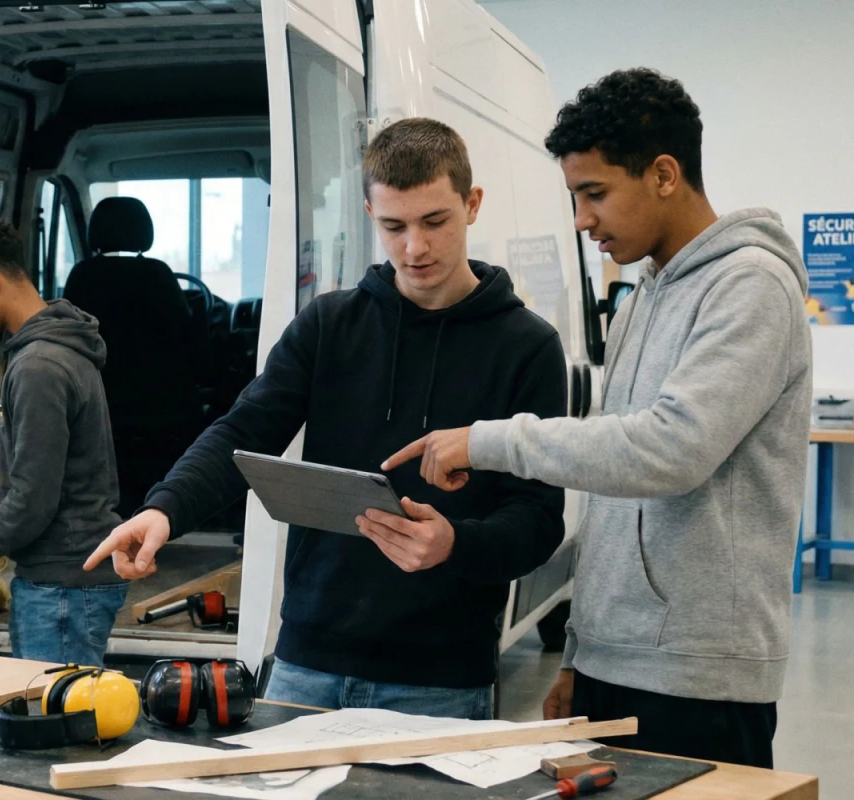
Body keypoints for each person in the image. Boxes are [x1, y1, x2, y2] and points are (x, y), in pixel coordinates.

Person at [383, 69, 811, 768]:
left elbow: (670, 450)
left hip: (699, 677)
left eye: (595, 193)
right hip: (621, 662)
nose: (581, 220)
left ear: (665, 174)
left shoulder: (750, 286)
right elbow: (615, 493)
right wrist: (581, 650)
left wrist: (490, 440)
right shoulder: (646, 291)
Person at [87, 118, 566, 719]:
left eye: (434, 222)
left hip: (437, 681)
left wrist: (454, 544)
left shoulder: (528, 347)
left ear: (472, 205)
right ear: (370, 214)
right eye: (394, 226)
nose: (414, 247)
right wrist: (164, 508)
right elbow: (243, 430)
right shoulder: (328, 325)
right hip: (304, 668)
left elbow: (539, 521)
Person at [0, 217, 128, 667]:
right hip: (66, 582)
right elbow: (24, 479)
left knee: (55, 724)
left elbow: (33, 500)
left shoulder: (39, 366)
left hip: (62, 589)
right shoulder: (53, 349)